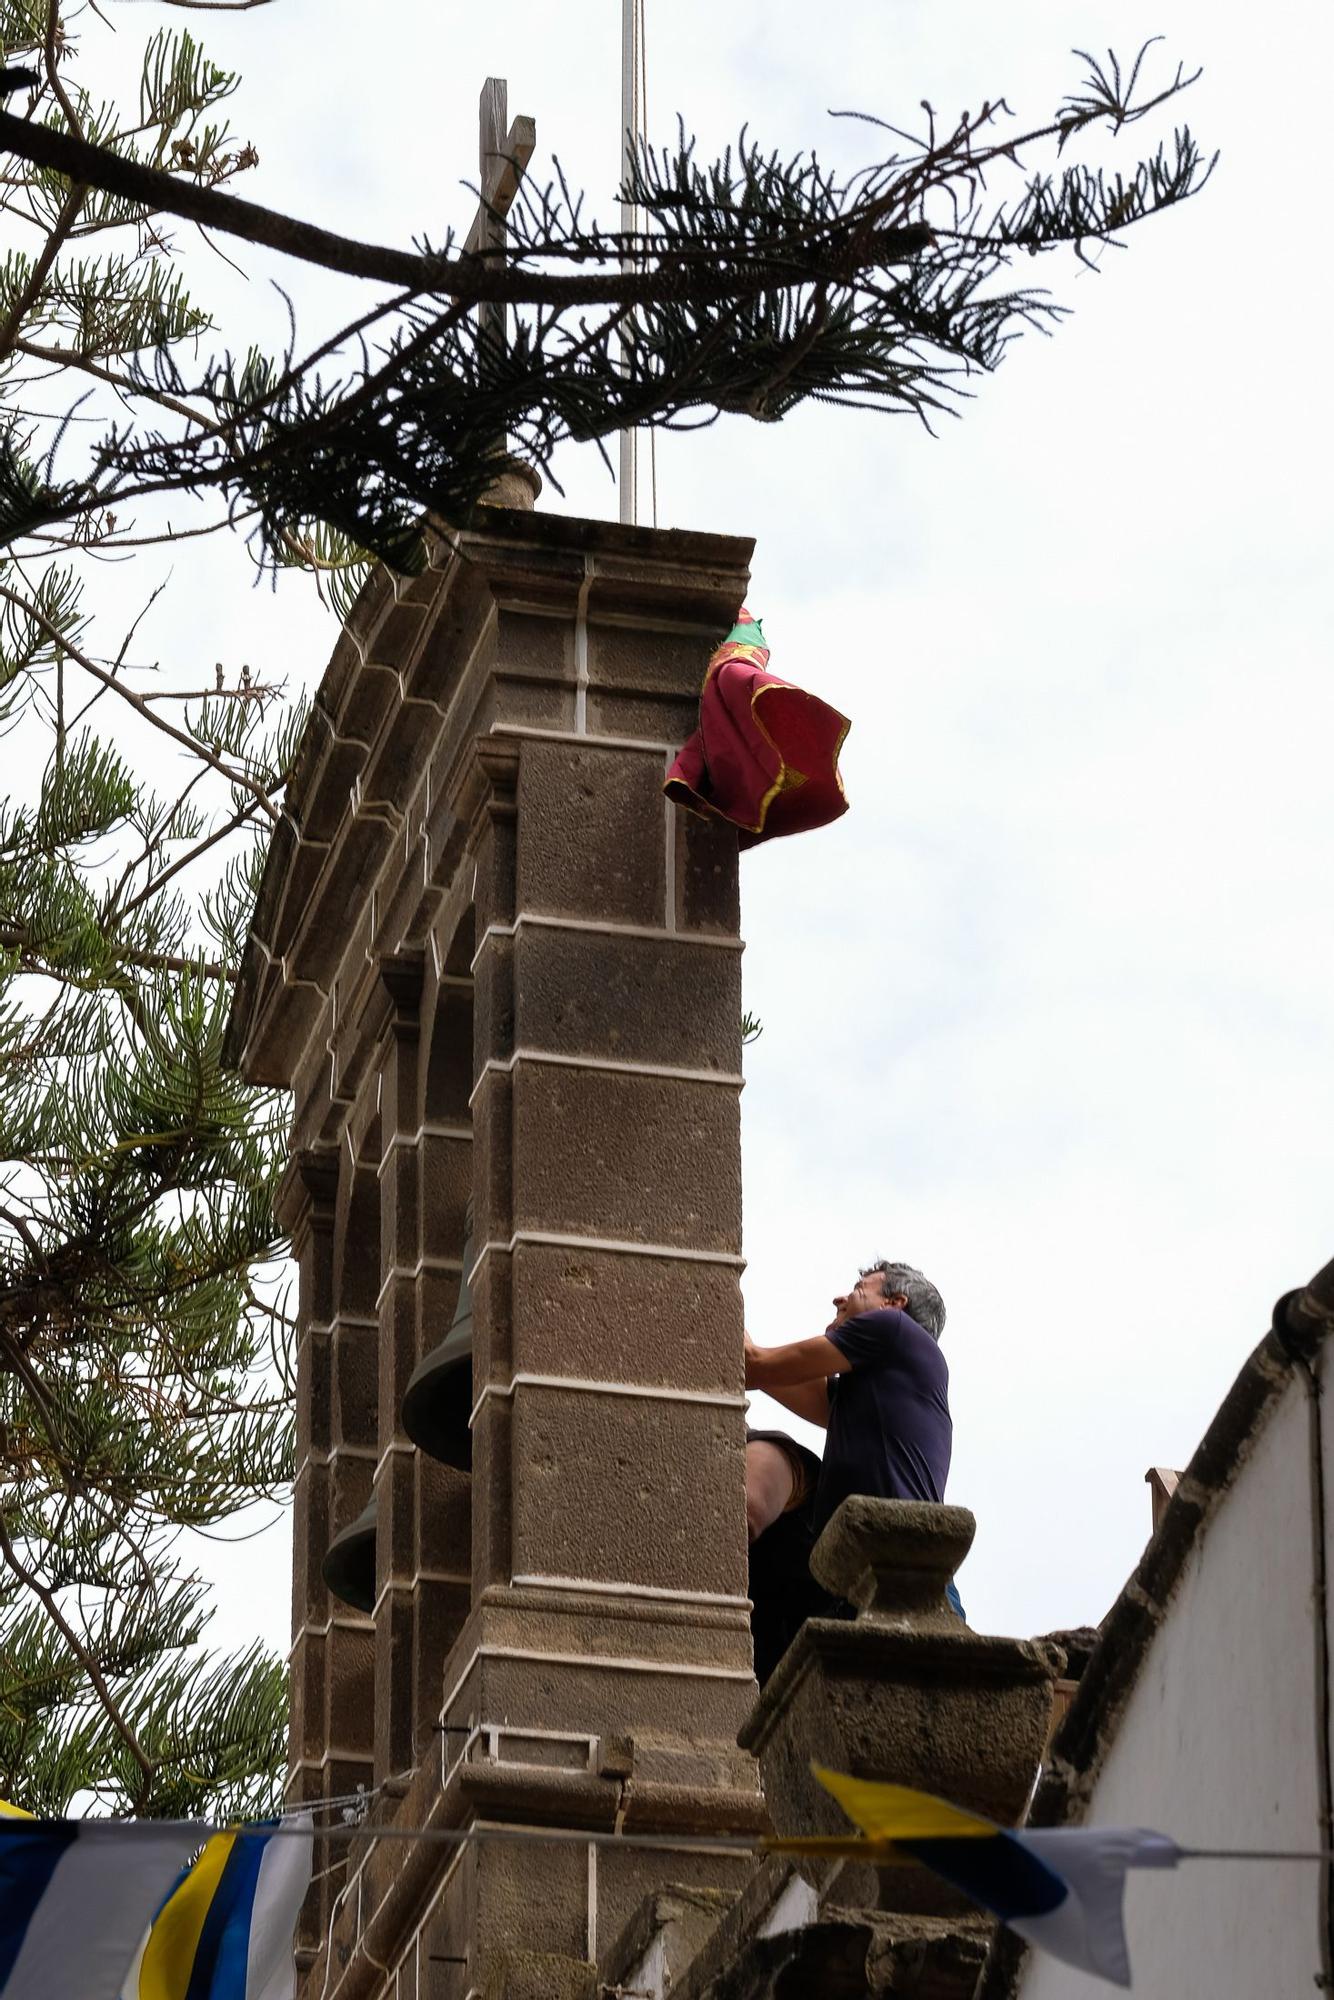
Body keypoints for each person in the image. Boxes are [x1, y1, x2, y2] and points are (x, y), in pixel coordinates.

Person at [742, 1259, 959, 1680]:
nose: (840, 1297)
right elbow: (758, 1372)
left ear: (895, 1303)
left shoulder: (892, 1330)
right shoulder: (868, 1392)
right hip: (867, 1583)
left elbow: (756, 1364)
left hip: (901, 1582)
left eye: (860, 1287)